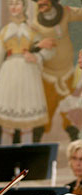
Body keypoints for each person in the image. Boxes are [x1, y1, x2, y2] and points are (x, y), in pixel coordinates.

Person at [0, 0, 52, 145]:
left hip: (28, 76)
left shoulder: (31, 30)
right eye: (11, 4)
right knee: (7, 125)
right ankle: (6, 160)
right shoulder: (5, 31)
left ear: (23, 6)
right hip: (9, 75)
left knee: (27, 125)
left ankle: (27, 163)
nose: (14, 7)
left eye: (17, 4)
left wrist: (36, 56)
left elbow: (48, 50)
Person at [31, 0, 82, 142]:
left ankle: (77, 151)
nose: (41, 6)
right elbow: (27, 44)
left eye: (44, 3)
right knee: (43, 116)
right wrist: (39, 45)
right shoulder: (35, 23)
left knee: (71, 115)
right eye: (38, 4)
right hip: (48, 77)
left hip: (67, 74)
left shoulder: (65, 13)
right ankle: (35, 154)